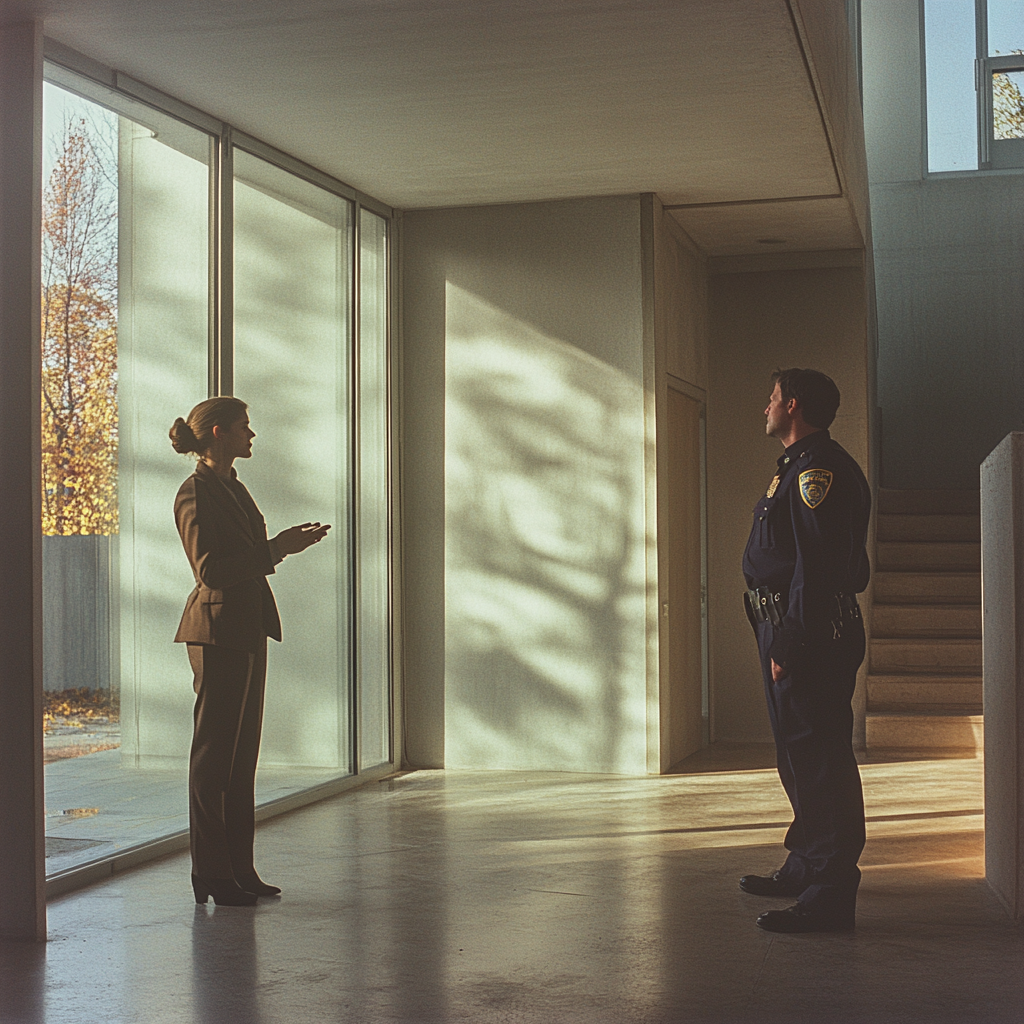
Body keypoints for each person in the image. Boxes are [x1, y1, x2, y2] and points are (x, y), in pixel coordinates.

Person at [169, 397, 330, 907]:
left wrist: (281, 547)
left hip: (246, 629)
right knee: (214, 760)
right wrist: (278, 547)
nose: (252, 434)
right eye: (244, 427)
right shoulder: (194, 492)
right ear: (218, 433)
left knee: (240, 761)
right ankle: (211, 873)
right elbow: (211, 571)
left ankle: (238, 870)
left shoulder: (231, 486)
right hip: (216, 633)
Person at [739, 368, 871, 933]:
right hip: (789, 625)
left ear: (792, 405)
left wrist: (791, 639)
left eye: (770, 398)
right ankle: (806, 863)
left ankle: (831, 890)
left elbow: (816, 567)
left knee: (820, 759)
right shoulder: (794, 467)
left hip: (810, 631)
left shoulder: (818, 471)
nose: (764, 407)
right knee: (797, 755)